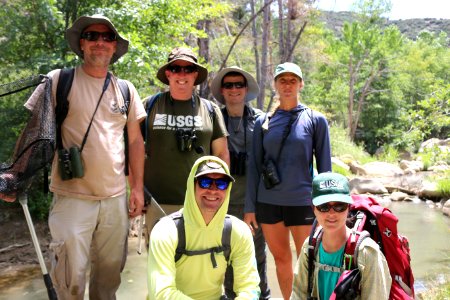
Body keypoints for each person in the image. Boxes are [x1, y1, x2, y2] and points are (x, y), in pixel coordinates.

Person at [24, 14, 146, 299]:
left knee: (108, 282)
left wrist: (137, 188)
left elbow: (136, 141)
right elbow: (33, 132)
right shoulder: (58, 80)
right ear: (81, 44)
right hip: (71, 199)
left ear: (115, 47)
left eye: (107, 37)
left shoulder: (126, 89)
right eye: (92, 36)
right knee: (70, 283)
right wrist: (16, 176)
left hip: (115, 200)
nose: (100, 42)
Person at [244, 62, 332, 299]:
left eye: (293, 80)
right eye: (282, 80)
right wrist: (250, 208)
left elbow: (325, 170)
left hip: (303, 202)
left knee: (308, 260)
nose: (287, 85)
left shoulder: (315, 120)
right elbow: (254, 167)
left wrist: (327, 206)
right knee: (281, 259)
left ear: (301, 84)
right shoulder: (263, 122)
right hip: (269, 203)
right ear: (275, 84)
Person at [143, 47, 229, 237]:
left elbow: (221, 155)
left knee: (197, 261)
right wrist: (136, 191)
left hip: (200, 201)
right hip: (156, 202)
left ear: (195, 75)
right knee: (160, 263)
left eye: (188, 69)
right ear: (168, 73)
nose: (182, 74)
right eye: (176, 69)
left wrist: (218, 195)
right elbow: (131, 149)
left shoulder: (210, 110)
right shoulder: (149, 106)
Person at [147, 156, 260, 299]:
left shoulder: (238, 231)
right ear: (191, 185)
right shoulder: (165, 231)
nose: (213, 190)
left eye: (221, 184)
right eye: (205, 182)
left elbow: (250, 287)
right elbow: (161, 293)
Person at [210, 66, 270, 299]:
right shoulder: (214, 118)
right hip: (221, 203)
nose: (234, 89)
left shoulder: (262, 120)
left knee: (257, 258)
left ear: (246, 89)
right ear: (222, 91)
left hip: (254, 203)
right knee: (224, 259)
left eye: (238, 85)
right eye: (228, 85)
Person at [291, 172, 392, 299]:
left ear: (348, 207)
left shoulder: (367, 252)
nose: (331, 213)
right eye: (323, 206)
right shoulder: (310, 246)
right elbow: (298, 294)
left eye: (340, 206)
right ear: (313, 208)